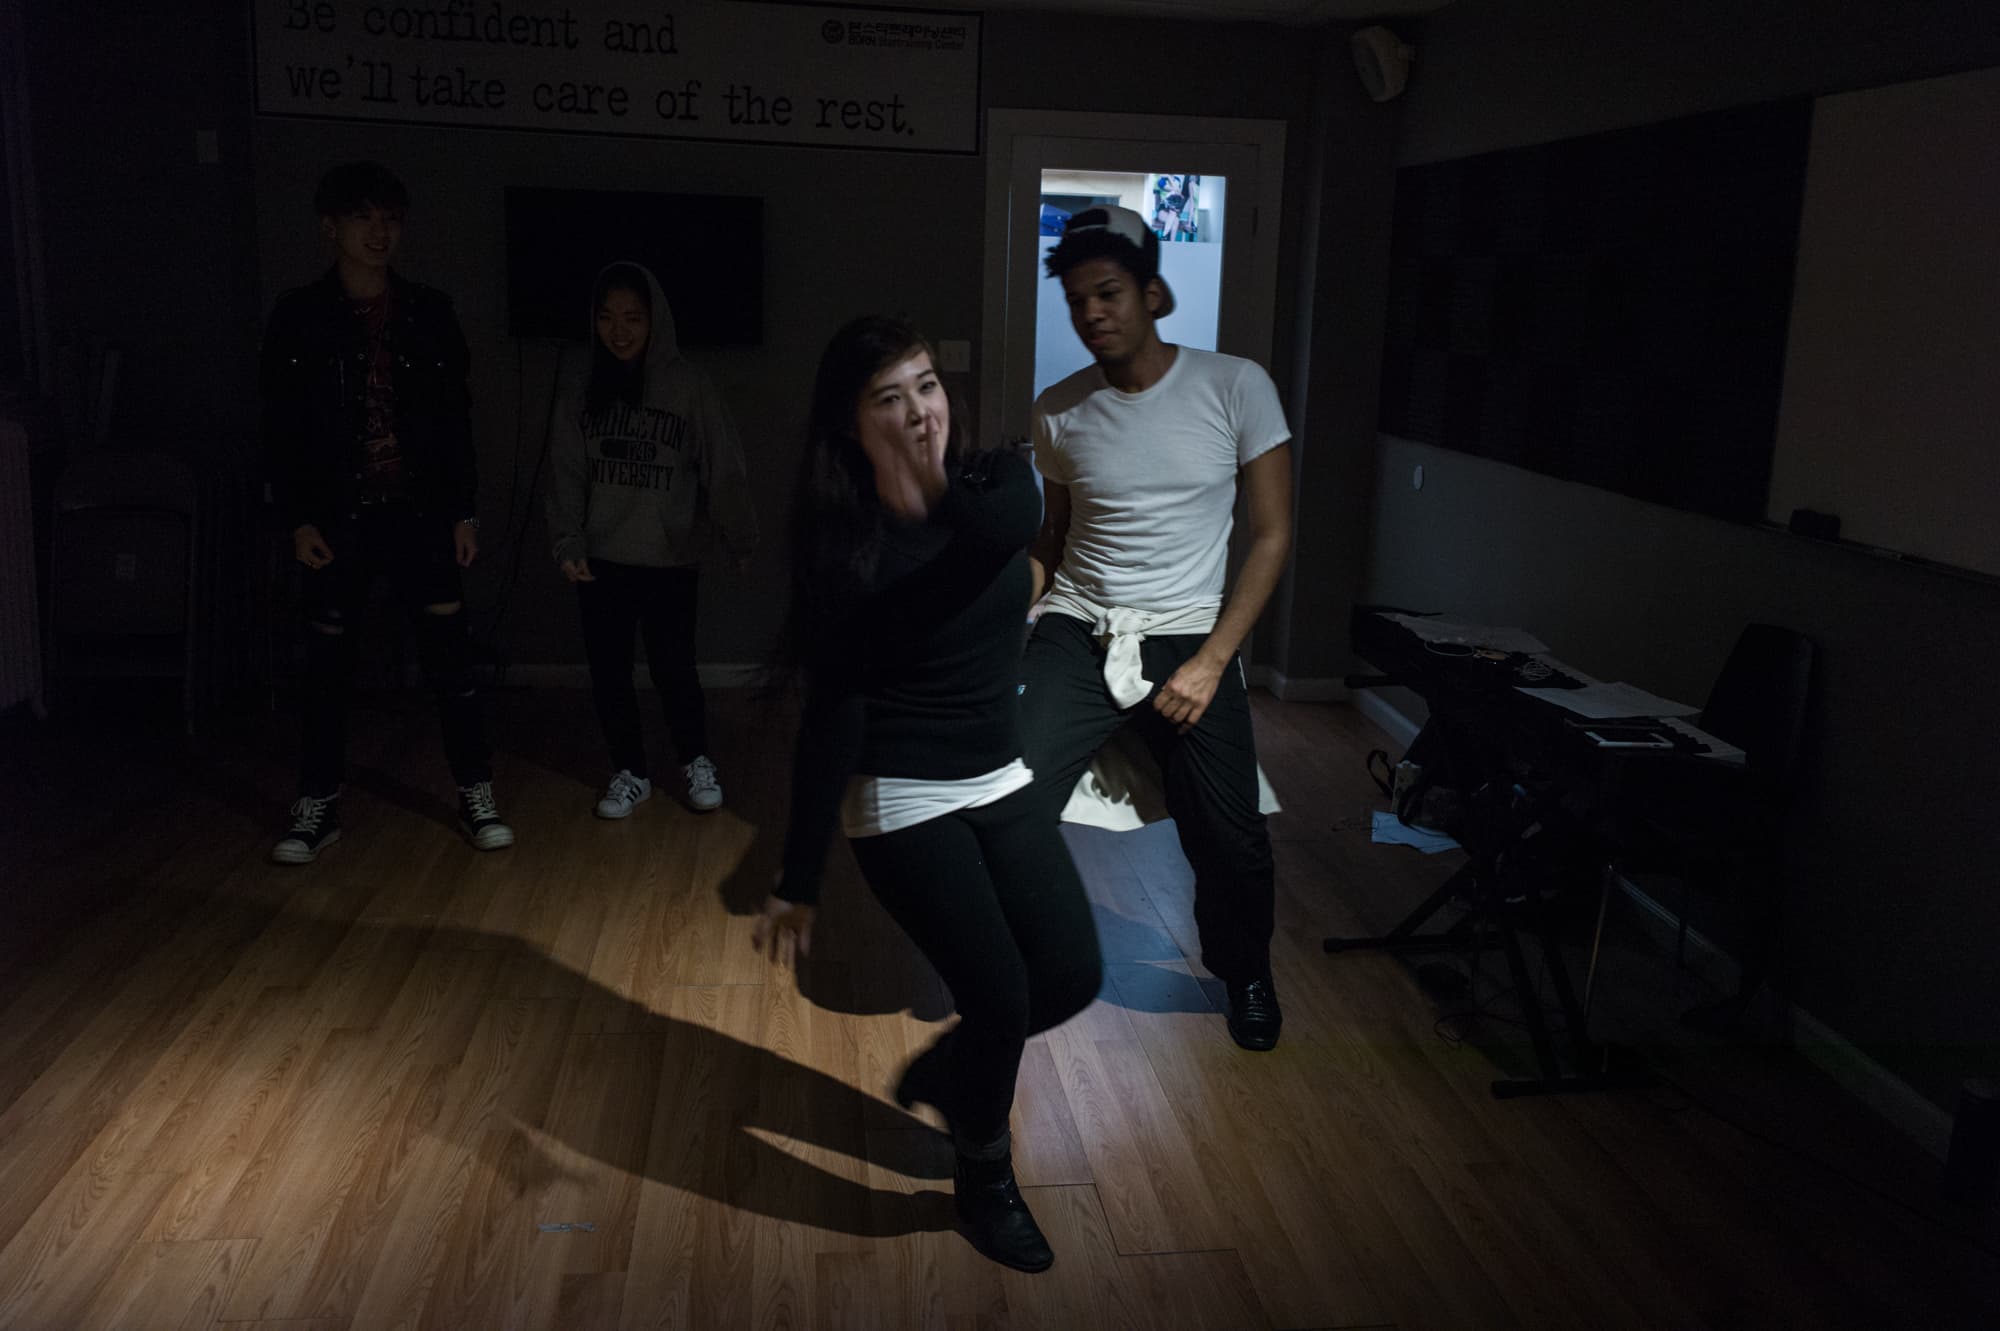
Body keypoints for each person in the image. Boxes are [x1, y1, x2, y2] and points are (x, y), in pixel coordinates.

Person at [754, 315, 1102, 1273]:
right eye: (890, 396)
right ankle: (984, 1174)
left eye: (928, 384)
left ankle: (950, 1071)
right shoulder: (844, 552)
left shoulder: (995, 484)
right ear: (847, 424)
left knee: (1070, 975)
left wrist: (931, 484)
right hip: (902, 794)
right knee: (998, 992)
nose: (921, 411)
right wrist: (798, 877)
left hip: (998, 772)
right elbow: (834, 717)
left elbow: (1008, 524)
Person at [1023, 205, 1294, 1051]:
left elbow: (1273, 533)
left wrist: (1215, 661)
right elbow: (1053, 538)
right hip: (1077, 623)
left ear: (1155, 293)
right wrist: (1010, 621)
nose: (1090, 313)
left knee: (1231, 834)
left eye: (1107, 293)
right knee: (1008, 796)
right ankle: (1030, 961)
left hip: (1188, 632)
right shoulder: (1059, 411)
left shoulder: (1236, 385)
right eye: (1076, 300)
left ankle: (1244, 968)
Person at [261, 161, 512, 864]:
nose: (380, 232)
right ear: (331, 227)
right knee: (327, 664)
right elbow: (281, 427)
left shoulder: (428, 313)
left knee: (450, 659)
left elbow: (454, 419)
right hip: (339, 513)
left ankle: (474, 788)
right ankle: (318, 801)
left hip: (418, 511)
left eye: (390, 219)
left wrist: (463, 510)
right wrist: (299, 517)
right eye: (365, 218)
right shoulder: (301, 316)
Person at [545, 261, 759, 818]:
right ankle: (630, 772)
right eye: (608, 318)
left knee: (675, 669)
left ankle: (695, 760)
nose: (620, 330)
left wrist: (741, 539)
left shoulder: (688, 385)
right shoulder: (581, 386)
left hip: (669, 558)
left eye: (633, 318)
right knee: (609, 672)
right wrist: (567, 542)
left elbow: (724, 468)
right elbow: (566, 472)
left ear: (654, 320)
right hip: (601, 558)